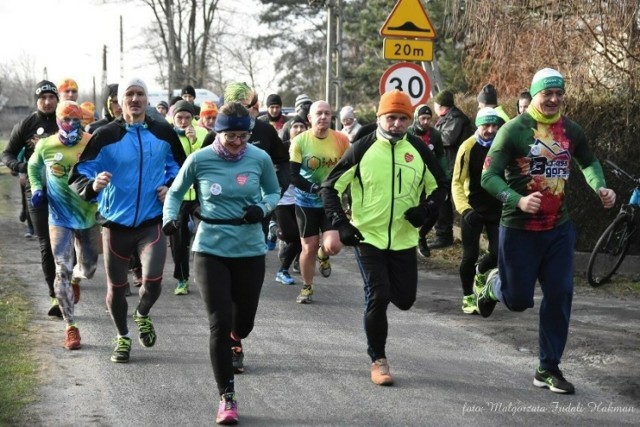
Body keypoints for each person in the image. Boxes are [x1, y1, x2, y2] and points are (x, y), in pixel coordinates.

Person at [476, 68, 616, 394]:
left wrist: (600, 187)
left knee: (560, 294)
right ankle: (494, 285)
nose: (553, 99)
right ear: (534, 94)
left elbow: (589, 162)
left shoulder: (570, 130)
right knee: (518, 301)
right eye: (546, 93)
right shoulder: (513, 131)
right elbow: (489, 177)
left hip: (557, 229)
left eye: (558, 94)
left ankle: (548, 368)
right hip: (519, 229)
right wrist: (518, 199)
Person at [163, 102, 280, 425]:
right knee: (218, 320)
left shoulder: (259, 159)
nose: (238, 142)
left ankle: (237, 337)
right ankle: (226, 397)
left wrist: (262, 208)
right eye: (231, 136)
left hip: (250, 248)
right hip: (210, 247)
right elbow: (175, 193)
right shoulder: (200, 159)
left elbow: (273, 191)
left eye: (244, 136)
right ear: (217, 131)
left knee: (243, 322)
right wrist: (170, 218)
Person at [321, 90, 448, 385]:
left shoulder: (417, 148)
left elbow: (440, 185)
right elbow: (330, 187)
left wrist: (426, 209)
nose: (396, 124)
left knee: (404, 299)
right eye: (391, 118)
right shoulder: (362, 147)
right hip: (368, 237)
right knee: (377, 295)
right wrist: (341, 224)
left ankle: (379, 313)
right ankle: (378, 359)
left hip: (404, 239)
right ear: (380, 118)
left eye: (403, 118)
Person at [69, 77, 186, 363]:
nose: (135, 99)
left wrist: (170, 185)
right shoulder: (105, 135)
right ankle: (122, 336)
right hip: (115, 224)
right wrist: (93, 185)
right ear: (119, 102)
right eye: (129, 95)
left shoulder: (164, 132)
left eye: (140, 94)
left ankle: (142, 313)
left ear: (147, 99)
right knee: (117, 290)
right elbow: (78, 174)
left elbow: (182, 167)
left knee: (154, 283)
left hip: (150, 222)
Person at [27, 101, 100, 350]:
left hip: (88, 216)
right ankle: (71, 326)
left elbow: (108, 167)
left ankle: (77, 280)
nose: (70, 124)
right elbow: (33, 166)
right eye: (65, 119)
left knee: (88, 268)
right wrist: (37, 188)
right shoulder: (47, 145)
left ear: (81, 120)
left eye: (74, 120)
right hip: (59, 218)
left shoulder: (91, 142)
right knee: (62, 270)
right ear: (57, 120)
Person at [2, 80, 59, 316]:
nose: (47, 102)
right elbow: (7, 153)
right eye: (42, 98)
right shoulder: (26, 124)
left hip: (65, 193)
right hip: (36, 193)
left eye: (51, 97)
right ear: (37, 100)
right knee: (46, 244)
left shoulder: (65, 121)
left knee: (69, 243)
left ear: (57, 99)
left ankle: (70, 282)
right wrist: (22, 166)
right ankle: (55, 295)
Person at [289, 100, 349, 304]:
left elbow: (348, 170)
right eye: (319, 114)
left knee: (334, 245)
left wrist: (341, 192)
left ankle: (324, 255)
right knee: (309, 247)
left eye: (327, 114)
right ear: (310, 118)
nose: (323, 117)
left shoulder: (341, 140)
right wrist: (315, 188)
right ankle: (307, 287)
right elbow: (293, 176)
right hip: (306, 202)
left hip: (330, 201)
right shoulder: (299, 141)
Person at [451, 107, 503, 315]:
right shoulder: (468, 147)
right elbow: (456, 182)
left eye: (494, 126)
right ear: (478, 125)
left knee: (499, 254)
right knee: (469, 255)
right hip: (473, 209)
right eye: (486, 126)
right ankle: (468, 296)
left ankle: (482, 271)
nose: (490, 130)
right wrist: (464, 209)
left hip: (496, 208)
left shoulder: (501, 145)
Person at [168, 100, 208, 295]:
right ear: (173, 118)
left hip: (201, 195)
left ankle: (206, 275)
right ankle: (182, 279)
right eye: (179, 118)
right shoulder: (168, 137)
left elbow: (206, 160)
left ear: (193, 119)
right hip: (179, 195)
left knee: (206, 232)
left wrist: (194, 142)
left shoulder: (202, 134)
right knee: (179, 239)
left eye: (187, 118)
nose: (183, 122)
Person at [431, 89, 475, 249]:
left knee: (448, 200)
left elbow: (448, 138)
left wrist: (432, 136)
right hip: (449, 166)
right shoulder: (448, 117)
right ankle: (443, 234)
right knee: (443, 201)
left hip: (454, 167)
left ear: (441, 106)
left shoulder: (456, 118)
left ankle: (445, 236)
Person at [407, 104, 447, 258]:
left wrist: (445, 177)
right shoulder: (408, 132)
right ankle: (405, 240)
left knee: (434, 210)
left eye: (428, 119)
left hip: (429, 178)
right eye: (423, 118)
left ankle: (421, 236)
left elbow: (441, 156)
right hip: (410, 177)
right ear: (417, 118)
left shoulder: (435, 135)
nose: (425, 122)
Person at [272, 116, 308, 285]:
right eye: (296, 126)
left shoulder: (309, 148)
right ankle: (275, 230)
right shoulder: (281, 149)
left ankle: (283, 270)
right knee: (290, 235)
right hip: (282, 200)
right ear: (288, 129)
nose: (299, 129)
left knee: (303, 237)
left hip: (301, 199)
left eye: (302, 126)